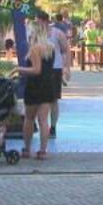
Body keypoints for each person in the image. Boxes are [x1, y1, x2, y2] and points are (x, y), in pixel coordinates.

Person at [19, 14, 63, 159]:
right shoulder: (50, 47)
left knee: (29, 118)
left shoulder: (35, 49)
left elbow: (36, 70)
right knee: (43, 120)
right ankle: (43, 151)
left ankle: (26, 149)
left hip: (34, 85)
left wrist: (19, 69)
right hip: (48, 85)